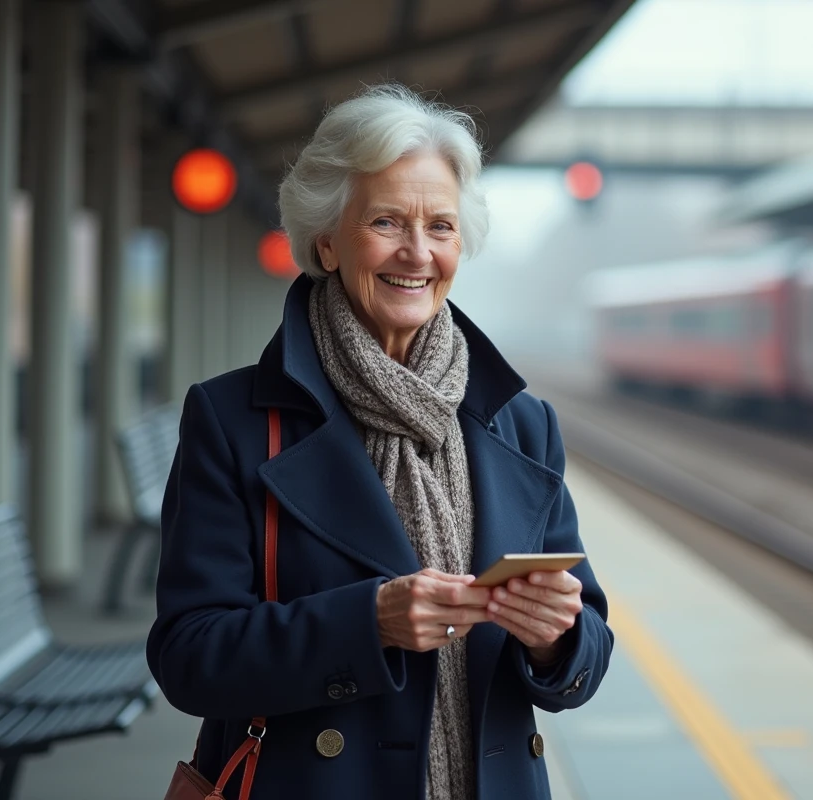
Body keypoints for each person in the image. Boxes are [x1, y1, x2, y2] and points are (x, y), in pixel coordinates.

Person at [147, 85, 612, 800]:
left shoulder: (522, 422)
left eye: (442, 227)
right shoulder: (233, 419)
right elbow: (188, 656)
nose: (418, 253)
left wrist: (555, 638)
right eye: (388, 221)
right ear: (327, 240)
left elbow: (587, 647)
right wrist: (369, 623)